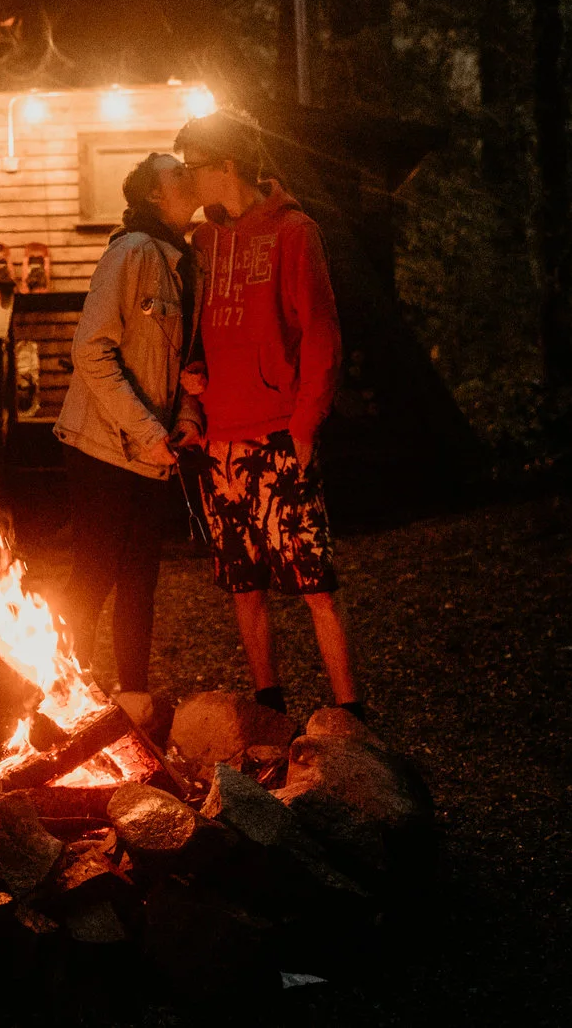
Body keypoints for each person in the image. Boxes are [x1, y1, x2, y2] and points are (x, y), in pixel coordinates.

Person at [171, 105, 364, 723]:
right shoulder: (203, 243)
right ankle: (270, 710)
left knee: (315, 584)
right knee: (243, 586)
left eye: (193, 168)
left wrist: (306, 425)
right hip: (220, 440)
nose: (188, 182)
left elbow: (322, 334)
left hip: (280, 431)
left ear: (226, 164)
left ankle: (351, 713)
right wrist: (192, 383)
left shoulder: (293, 232)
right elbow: (195, 328)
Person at [53, 152, 203, 706]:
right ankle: (64, 697)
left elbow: (189, 360)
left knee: (142, 579)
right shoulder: (131, 253)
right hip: (102, 443)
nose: (190, 178)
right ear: (156, 197)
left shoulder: (187, 262)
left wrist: (185, 419)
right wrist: (147, 431)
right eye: (177, 174)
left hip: (153, 449)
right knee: (94, 575)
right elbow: (90, 351)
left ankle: (133, 701)